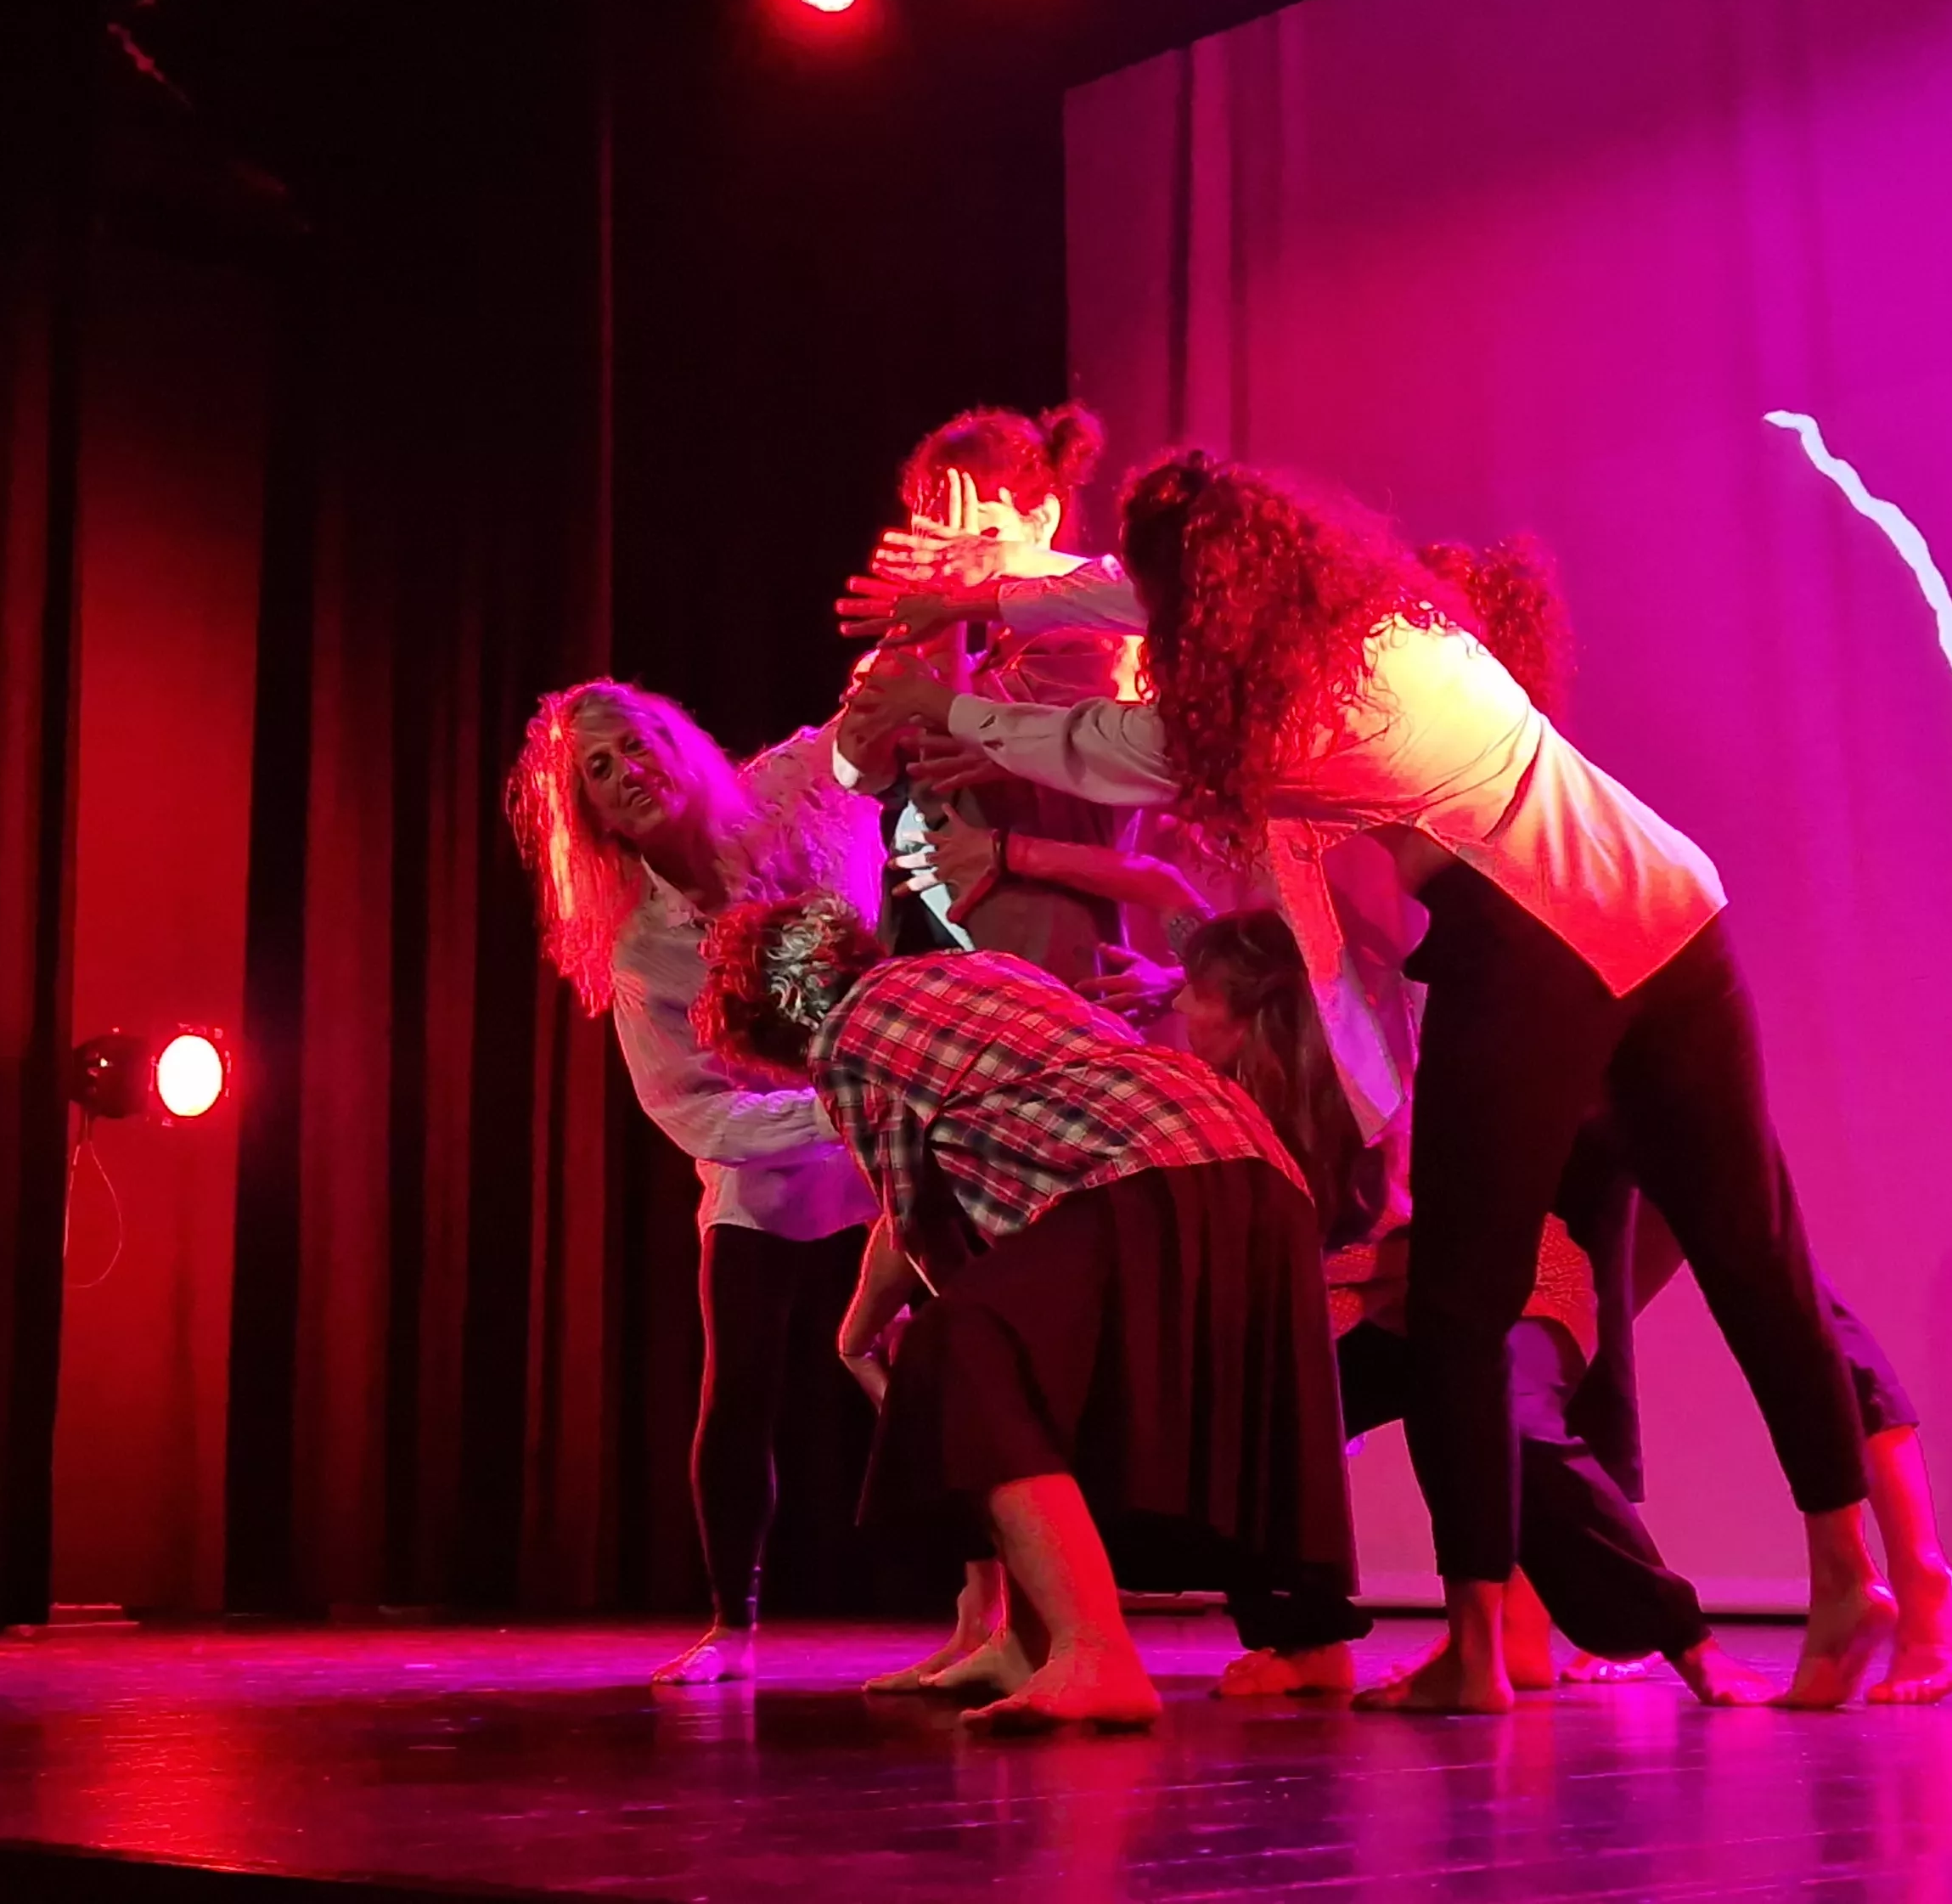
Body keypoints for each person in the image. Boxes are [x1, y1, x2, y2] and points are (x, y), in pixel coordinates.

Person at [842, 453, 1892, 1712]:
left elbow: (1108, 745)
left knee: (1456, 1304)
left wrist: (940, 699)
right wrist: (988, 605)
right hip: (1670, 896)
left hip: (1540, 937)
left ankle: (1476, 1645)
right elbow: (1129, 595)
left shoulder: (1280, 719)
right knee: (1754, 1257)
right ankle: (1847, 1577)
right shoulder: (1396, 617)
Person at [694, 894, 1352, 1733]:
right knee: (1007, 1351)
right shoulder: (972, 968)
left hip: (1143, 1169)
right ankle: (1032, 1639)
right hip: (1252, 1167)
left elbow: (917, 1217)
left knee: (964, 1345)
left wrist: (871, 1336)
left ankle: (1092, 1651)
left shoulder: (844, 1041)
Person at [506, 681, 1003, 1687]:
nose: (626, 772)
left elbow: (870, 717)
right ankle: (731, 1625)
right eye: (597, 769)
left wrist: (962, 594)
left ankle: (987, 1605)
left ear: (677, 744)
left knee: (948, 1357)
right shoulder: (640, 944)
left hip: (898, 1125)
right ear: (588, 812)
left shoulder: (790, 788)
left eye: (636, 745)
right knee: (738, 1386)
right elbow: (688, 1109)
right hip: (774, 1158)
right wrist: (834, 1114)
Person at [1176, 910, 1787, 1704]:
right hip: (1376, 1304)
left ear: (1255, 1012)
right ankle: (1305, 1639)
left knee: (1505, 1418)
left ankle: (1685, 1640)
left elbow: (1422, 1239)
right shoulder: (1224, 1106)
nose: (1181, 1009)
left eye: (1197, 992)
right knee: (1253, 1413)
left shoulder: (1379, 1092)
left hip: (1504, 1280)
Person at [830, 404, 1142, 984]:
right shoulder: (972, 656)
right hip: (940, 966)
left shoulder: (1088, 645)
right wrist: (912, 628)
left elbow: (959, 746)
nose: (956, 555)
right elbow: (855, 768)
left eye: (981, 532)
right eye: (936, 537)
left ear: (1041, 520)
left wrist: (942, 617)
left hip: (1045, 967)